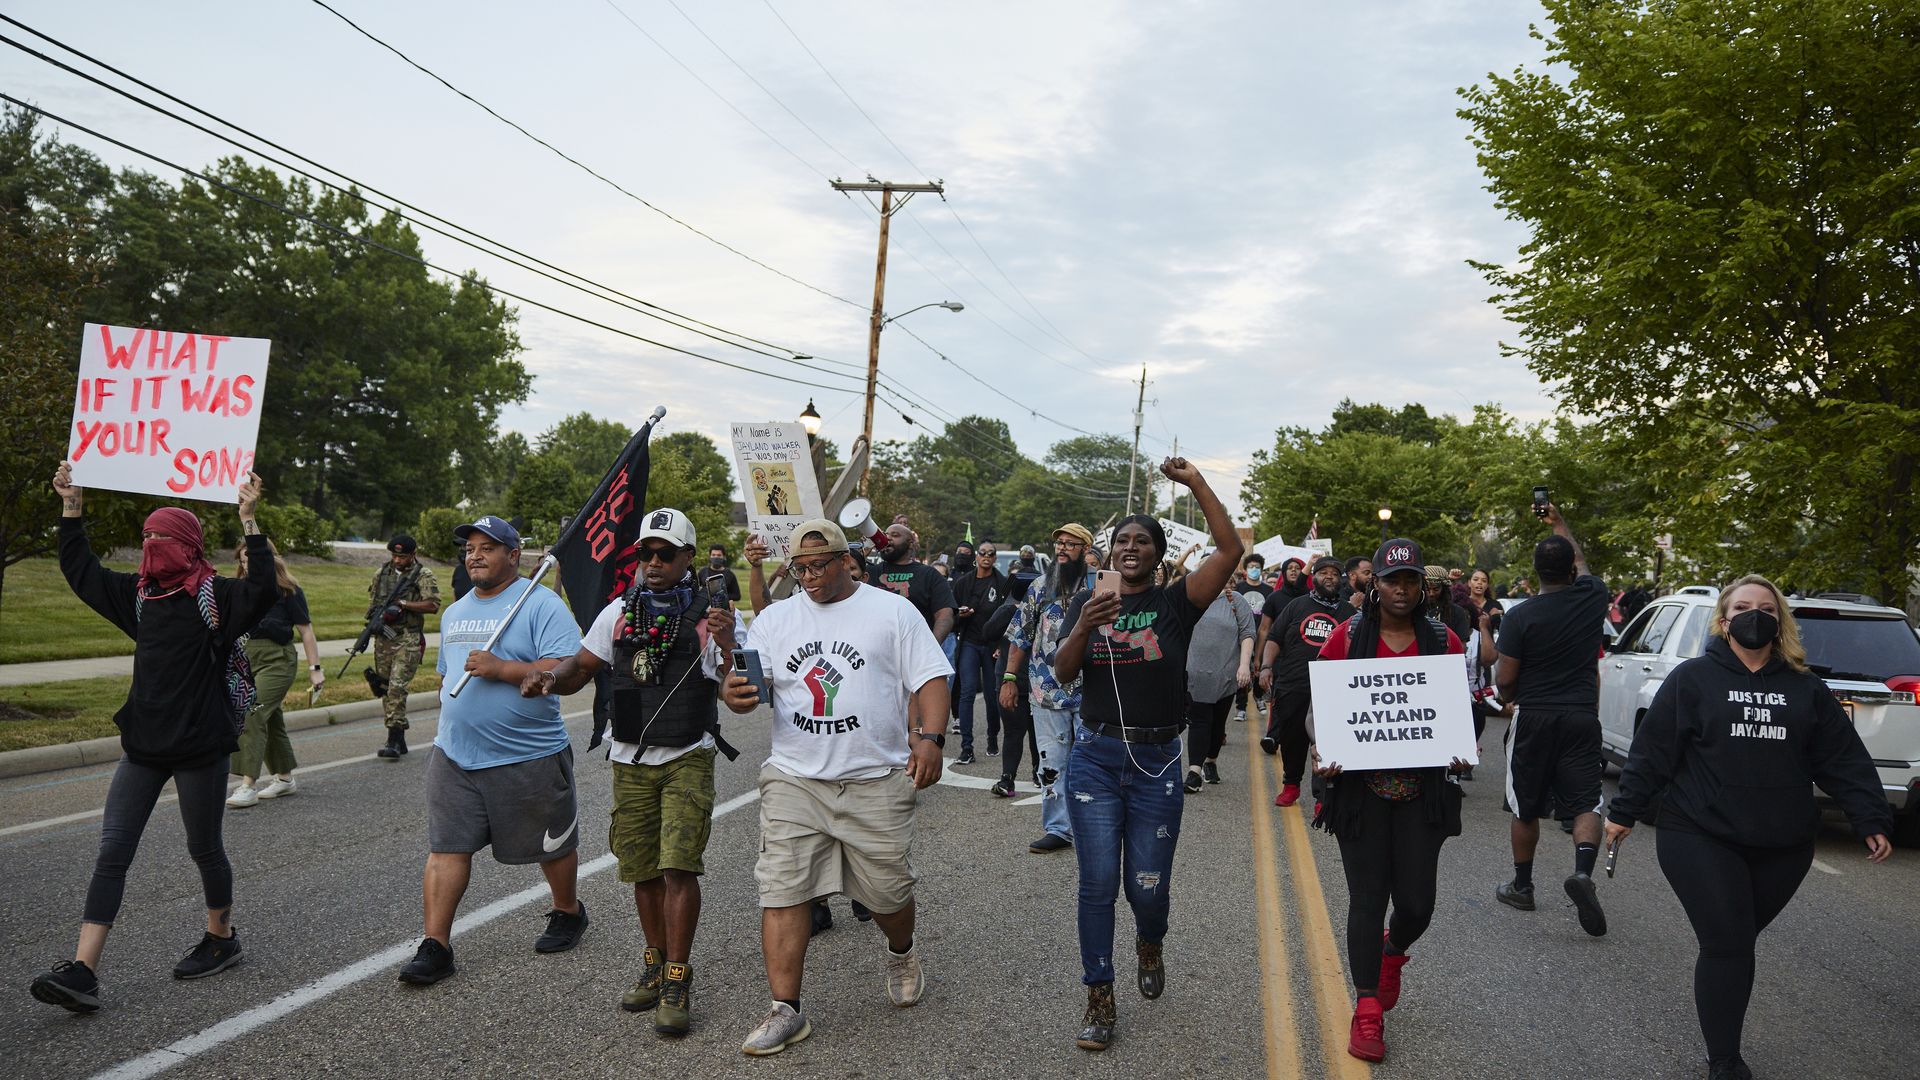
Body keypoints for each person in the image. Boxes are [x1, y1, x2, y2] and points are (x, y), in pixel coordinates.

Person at [1605, 576, 1892, 1080]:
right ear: (1724, 619)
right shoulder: (1693, 680)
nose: (1753, 615)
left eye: (1765, 607)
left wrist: (1869, 816)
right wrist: (1624, 811)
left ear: (1779, 621)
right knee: (1728, 944)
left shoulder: (1807, 688)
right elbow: (1653, 752)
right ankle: (1725, 1061)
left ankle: (1722, 1021)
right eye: (1742, 606)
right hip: (1698, 833)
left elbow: (1842, 758)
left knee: (1734, 941)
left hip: (1784, 845)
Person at [32, 464, 276, 1013]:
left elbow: (263, 590)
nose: (152, 545)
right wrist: (71, 507)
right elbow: (81, 571)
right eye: (146, 537)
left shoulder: (217, 598)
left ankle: (221, 938)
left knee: (203, 847)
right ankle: (84, 969)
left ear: (187, 545)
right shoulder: (137, 598)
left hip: (199, 748)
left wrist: (250, 521)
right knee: (112, 851)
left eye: (162, 536)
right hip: (142, 747)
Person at [720, 519, 951, 1056]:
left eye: (819, 566)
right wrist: (736, 695)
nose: (809, 577)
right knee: (782, 888)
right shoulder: (778, 618)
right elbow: (753, 686)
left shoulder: (891, 611)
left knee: (888, 893)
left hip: (875, 779)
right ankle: (786, 1010)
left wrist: (931, 738)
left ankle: (900, 949)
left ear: (847, 561)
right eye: (800, 569)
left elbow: (930, 677)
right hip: (796, 778)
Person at [520, 509, 743, 1036]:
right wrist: (548, 679)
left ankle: (678, 977)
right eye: (646, 553)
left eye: (666, 554)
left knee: (678, 867)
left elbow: (738, 687)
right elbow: (579, 669)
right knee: (641, 870)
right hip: (629, 760)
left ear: (688, 557)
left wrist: (730, 644)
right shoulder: (618, 613)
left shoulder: (711, 617)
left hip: (688, 755)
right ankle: (655, 960)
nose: (654, 563)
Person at [1053, 458, 1242, 1052]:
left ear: (1157, 555)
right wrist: (1083, 626)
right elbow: (1062, 673)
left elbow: (1230, 548)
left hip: (1158, 759)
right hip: (1095, 758)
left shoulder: (1175, 603)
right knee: (1098, 881)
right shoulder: (1088, 601)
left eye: (1142, 541)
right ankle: (1100, 995)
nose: (1129, 548)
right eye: (1121, 542)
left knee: (1147, 888)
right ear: (1109, 555)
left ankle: (1150, 941)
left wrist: (1195, 484)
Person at [395, 516, 586, 986]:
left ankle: (567, 910)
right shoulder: (456, 611)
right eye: (470, 549)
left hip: (528, 754)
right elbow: (447, 674)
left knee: (550, 844)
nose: (475, 555)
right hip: (455, 754)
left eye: (487, 547)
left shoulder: (541, 604)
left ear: (512, 555)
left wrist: (502, 669)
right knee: (446, 847)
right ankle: (435, 945)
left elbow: (564, 666)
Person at [1310, 538, 1469, 1063]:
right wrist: (1322, 749)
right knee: (1367, 898)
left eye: (1409, 581)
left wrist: (1462, 752)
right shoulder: (1348, 635)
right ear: (1372, 584)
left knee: (1418, 904)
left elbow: (1457, 713)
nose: (1400, 590)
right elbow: (1322, 709)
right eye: (1390, 580)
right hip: (1361, 794)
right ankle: (1367, 1008)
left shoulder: (1443, 640)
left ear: (1422, 586)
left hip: (1423, 793)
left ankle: (1392, 952)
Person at [1493, 503, 1610, 936]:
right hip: (1581, 714)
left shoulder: (1520, 616)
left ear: (1535, 573)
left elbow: (1506, 678)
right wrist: (1559, 522)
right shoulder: (1592, 596)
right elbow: (1582, 561)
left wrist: (1507, 697)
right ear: (1571, 572)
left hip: (1536, 715)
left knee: (1525, 805)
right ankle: (1582, 871)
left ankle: (1522, 886)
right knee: (1585, 800)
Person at [1001, 523, 1092, 852]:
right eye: (1059, 543)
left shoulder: (1099, 586)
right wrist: (1010, 678)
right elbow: (1020, 637)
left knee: (1089, 763)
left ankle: (1090, 827)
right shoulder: (1040, 586)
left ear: (1085, 549)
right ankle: (1057, 828)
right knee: (1052, 763)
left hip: (1091, 693)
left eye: (1071, 544)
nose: (1063, 549)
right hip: (1045, 691)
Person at [226, 541, 324, 808]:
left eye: (252, 560)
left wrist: (315, 670)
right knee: (270, 719)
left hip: (277, 662)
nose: (246, 565)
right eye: (242, 561)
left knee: (252, 712)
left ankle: (247, 784)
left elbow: (306, 632)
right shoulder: (238, 589)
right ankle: (284, 778)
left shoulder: (287, 589)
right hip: (246, 660)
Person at [1259, 556, 1355, 806]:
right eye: (1323, 572)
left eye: (1335, 573)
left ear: (1341, 579)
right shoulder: (1296, 605)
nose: (1329, 577)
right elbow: (1274, 638)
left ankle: (1322, 793)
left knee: (1327, 738)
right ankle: (1291, 784)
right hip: (1294, 683)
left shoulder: (1349, 613)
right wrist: (1266, 666)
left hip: (1334, 688)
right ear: (1313, 577)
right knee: (1292, 737)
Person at [366, 534, 441, 760]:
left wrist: (404, 604)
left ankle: (393, 740)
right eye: (395, 556)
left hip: (408, 638)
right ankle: (399, 738)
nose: (398, 560)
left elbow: (433, 605)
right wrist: (375, 622)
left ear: (413, 554)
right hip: (384, 639)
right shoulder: (382, 574)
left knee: (397, 687)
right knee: (385, 687)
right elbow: (373, 604)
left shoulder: (423, 575)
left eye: (403, 556)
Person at [1183, 579, 1255, 793]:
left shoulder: (1236, 601)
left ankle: (1211, 761)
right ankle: (1194, 773)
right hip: (1195, 672)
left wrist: (1244, 666)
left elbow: (1248, 634)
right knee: (1199, 721)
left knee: (1217, 725)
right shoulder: (1191, 598)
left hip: (1225, 673)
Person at [951, 542, 1010, 761]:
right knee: (967, 692)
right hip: (969, 642)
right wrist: (960, 616)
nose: (986, 556)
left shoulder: (1002, 584)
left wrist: (1002, 646)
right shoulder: (963, 583)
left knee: (991, 694)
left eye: (991, 554)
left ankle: (992, 736)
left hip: (992, 645)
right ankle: (967, 748)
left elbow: (1008, 617)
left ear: (995, 558)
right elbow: (950, 612)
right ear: (977, 556)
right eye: (982, 553)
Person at [1232, 555, 1271, 722]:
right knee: (1243, 669)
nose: (1254, 569)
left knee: (1258, 667)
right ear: (1246, 569)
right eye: (1251, 566)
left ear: (1261, 569)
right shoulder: (1238, 588)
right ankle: (1241, 708)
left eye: (1257, 566)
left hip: (1261, 635)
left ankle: (1258, 696)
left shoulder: (1269, 591)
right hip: (1241, 635)